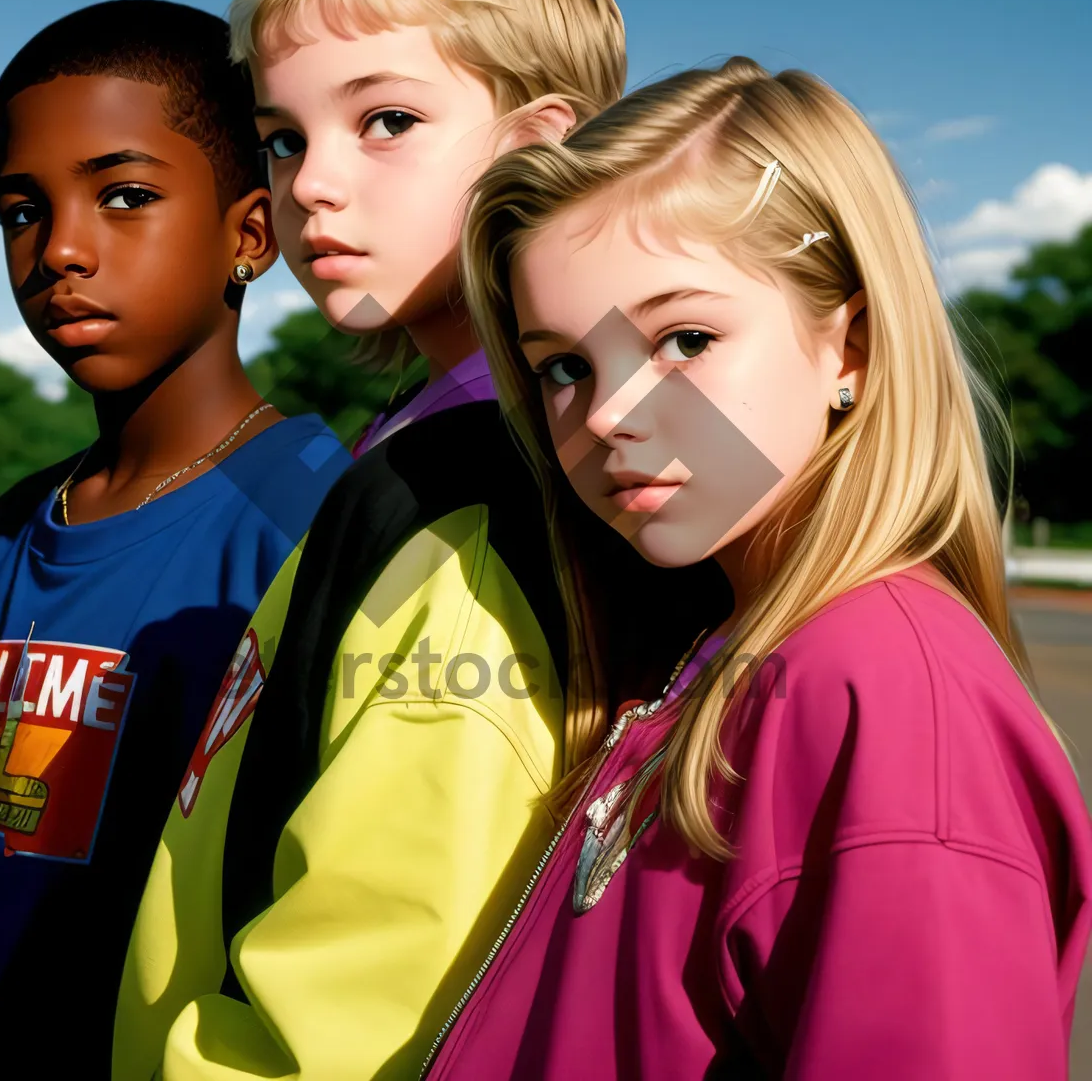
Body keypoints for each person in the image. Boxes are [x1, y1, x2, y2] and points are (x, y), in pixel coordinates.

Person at [114, 0, 715, 1079]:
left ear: (536, 148)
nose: (310, 185)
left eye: (384, 120)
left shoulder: (480, 488)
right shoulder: (419, 448)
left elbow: (364, 1007)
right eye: (282, 139)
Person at [425, 56, 1092, 1077]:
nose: (606, 414)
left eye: (684, 337)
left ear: (853, 347)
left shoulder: (888, 696)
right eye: (564, 364)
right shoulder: (730, 646)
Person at [0, 0, 350, 1080]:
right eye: (20, 210)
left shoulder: (317, 521)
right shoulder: (5, 537)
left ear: (251, 233)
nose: (59, 250)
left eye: (126, 196)